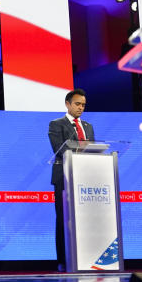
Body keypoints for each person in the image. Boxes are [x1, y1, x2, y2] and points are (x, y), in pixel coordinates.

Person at [48, 89, 94, 271]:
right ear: (67, 104)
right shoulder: (56, 124)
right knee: (63, 219)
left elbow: (93, 149)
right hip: (64, 177)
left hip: (86, 177)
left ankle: (86, 257)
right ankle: (63, 260)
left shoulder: (88, 126)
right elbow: (59, 149)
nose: (80, 108)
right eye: (77, 104)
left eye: (83, 105)